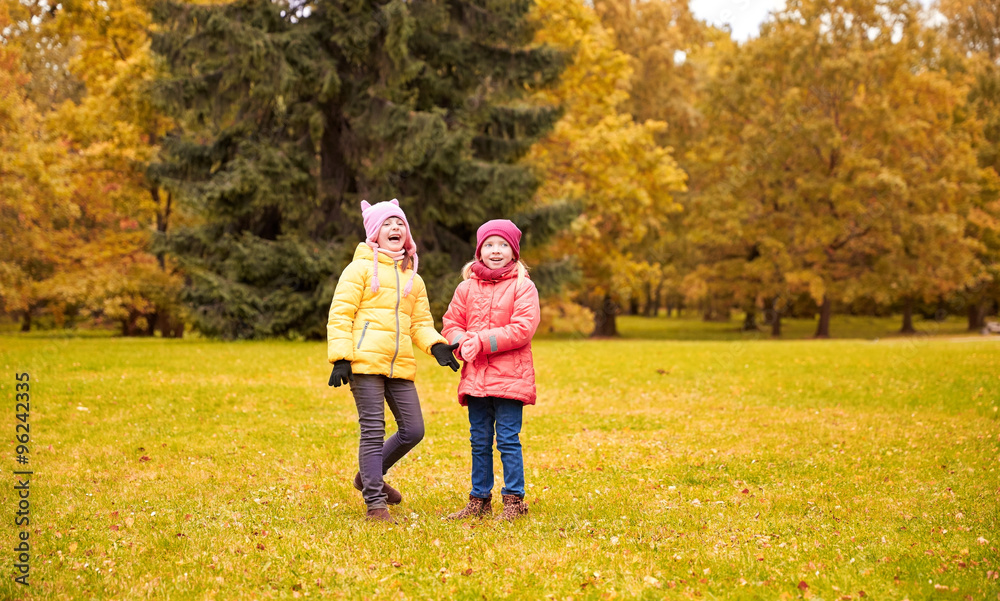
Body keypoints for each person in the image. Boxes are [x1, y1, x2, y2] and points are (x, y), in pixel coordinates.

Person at [327, 199, 460, 523]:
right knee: (373, 430)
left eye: (399, 223)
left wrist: (437, 346)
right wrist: (342, 357)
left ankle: (367, 475)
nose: (395, 229)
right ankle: (375, 503)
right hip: (364, 362)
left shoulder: (413, 277)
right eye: (387, 224)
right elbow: (341, 314)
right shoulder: (358, 269)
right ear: (374, 232)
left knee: (413, 430)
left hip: (399, 363)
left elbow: (420, 323)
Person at [441, 219, 540, 521]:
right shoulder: (466, 288)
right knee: (479, 439)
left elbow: (523, 328)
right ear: (479, 251)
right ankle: (479, 499)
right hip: (476, 378)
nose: (496, 251)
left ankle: (514, 501)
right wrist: (461, 342)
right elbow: (451, 323)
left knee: (508, 439)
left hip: (509, 377)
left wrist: (480, 342)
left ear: (514, 252)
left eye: (503, 245)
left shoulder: (523, 286)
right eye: (489, 245)